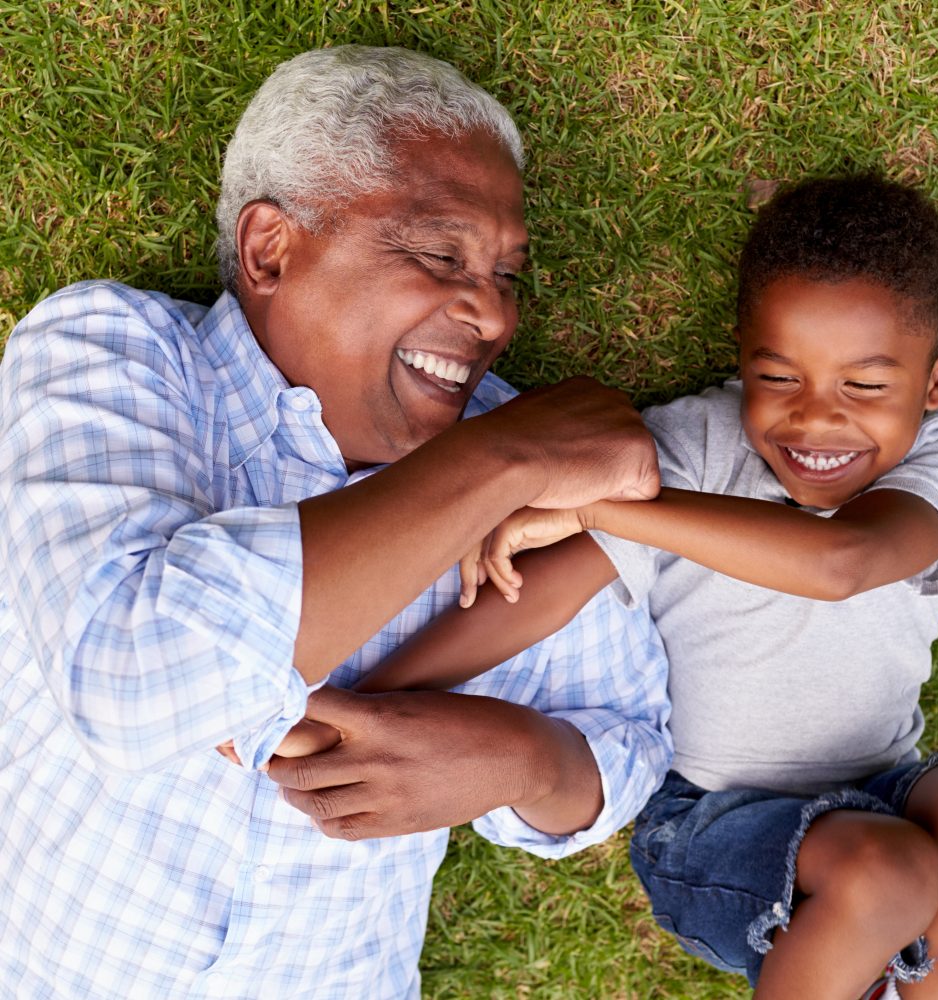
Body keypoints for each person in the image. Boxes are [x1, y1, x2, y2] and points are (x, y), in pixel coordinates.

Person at [0, 46, 674, 998]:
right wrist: (496, 462)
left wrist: (521, 761)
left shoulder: (527, 465)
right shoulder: (112, 353)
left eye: (507, 275)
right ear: (271, 248)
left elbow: (629, 739)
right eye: (441, 255)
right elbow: (132, 679)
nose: (490, 315)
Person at [353, 176, 938, 999]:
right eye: (778, 378)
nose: (815, 422)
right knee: (891, 869)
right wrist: (378, 695)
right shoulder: (692, 443)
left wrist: (608, 508)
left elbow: (845, 565)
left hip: (886, 781)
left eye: (865, 387)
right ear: (742, 353)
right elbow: (549, 591)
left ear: (936, 381)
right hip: (709, 823)